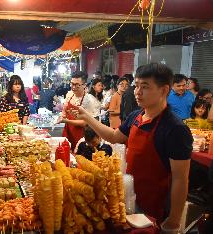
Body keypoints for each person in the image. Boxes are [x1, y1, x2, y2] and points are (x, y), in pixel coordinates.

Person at [70, 63, 192, 231]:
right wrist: (88, 117)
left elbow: (181, 179)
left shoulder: (175, 128)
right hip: (131, 197)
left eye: (145, 87)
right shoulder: (136, 116)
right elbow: (113, 136)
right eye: (136, 85)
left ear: (164, 90)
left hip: (156, 204)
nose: (137, 91)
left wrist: (174, 219)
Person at [57, 71, 99, 150]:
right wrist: (62, 115)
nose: (73, 87)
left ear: (84, 85)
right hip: (68, 131)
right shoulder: (69, 94)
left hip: (81, 135)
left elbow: (85, 123)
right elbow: (65, 109)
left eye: (77, 85)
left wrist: (66, 121)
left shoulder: (89, 100)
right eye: (72, 84)